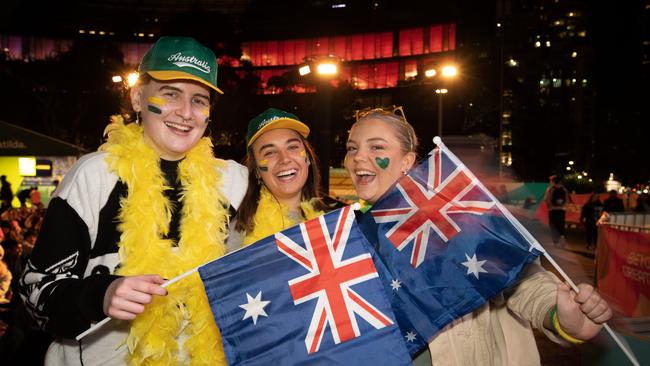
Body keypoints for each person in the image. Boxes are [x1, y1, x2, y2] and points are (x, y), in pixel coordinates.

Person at [18, 36, 248, 365]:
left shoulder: (234, 181)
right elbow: (35, 292)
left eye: (199, 100)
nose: (185, 112)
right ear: (138, 97)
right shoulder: (94, 176)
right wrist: (101, 295)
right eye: (171, 94)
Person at [345, 110, 612, 365]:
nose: (358, 157)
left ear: (407, 161)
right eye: (352, 148)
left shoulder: (459, 217)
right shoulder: (346, 239)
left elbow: (525, 283)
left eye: (377, 147)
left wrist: (562, 318)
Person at [230, 108, 327, 250]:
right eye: (269, 152)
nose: (285, 159)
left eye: (292, 147)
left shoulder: (335, 220)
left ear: (307, 158)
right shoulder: (239, 234)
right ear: (257, 171)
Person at [543, 175, 570, 246]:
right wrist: (564, 206)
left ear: (553, 181)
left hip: (552, 210)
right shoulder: (564, 189)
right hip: (562, 210)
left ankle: (555, 241)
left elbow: (546, 199)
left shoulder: (550, 189)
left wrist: (549, 206)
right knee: (561, 225)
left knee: (553, 225)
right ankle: (562, 238)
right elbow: (567, 199)